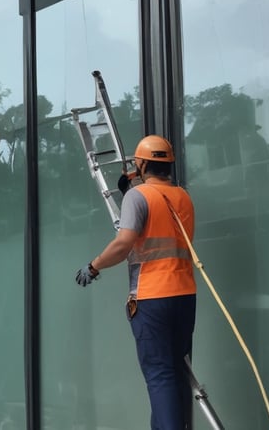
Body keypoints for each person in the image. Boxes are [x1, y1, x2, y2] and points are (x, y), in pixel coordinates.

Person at [75, 134, 196, 430]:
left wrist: (93, 266)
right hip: (184, 295)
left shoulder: (137, 197)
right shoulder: (183, 196)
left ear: (141, 164)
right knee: (176, 371)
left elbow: (124, 243)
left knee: (159, 374)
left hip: (152, 298)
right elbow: (159, 219)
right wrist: (132, 188)